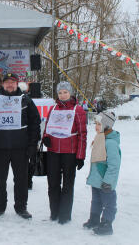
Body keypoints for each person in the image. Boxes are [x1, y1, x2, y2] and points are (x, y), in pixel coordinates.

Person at [0, 73, 41, 219]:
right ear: (2, 85)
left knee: (21, 179)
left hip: (21, 147)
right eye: (7, 82)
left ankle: (21, 207)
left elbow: (35, 123)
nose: (10, 85)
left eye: (12, 82)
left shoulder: (26, 100)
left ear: (17, 83)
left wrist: (33, 145)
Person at [41, 81, 87, 224]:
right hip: (53, 151)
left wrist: (80, 156)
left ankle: (64, 214)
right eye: (60, 93)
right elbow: (47, 127)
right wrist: (45, 138)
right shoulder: (53, 108)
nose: (62, 95)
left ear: (70, 93)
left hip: (70, 152)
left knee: (67, 184)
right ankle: (54, 212)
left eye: (65, 92)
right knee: (53, 183)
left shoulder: (77, 109)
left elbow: (82, 133)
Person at [84, 111, 120, 235]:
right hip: (96, 179)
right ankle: (94, 219)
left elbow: (114, 165)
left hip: (105, 181)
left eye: (99, 124)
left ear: (107, 125)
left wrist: (108, 181)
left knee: (108, 203)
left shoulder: (111, 143)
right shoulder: (99, 138)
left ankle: (106, 224)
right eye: (96, 124)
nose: (96, 126)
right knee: (96, 201)